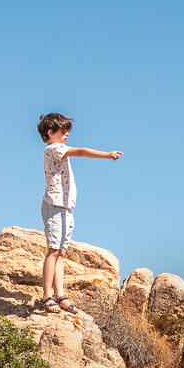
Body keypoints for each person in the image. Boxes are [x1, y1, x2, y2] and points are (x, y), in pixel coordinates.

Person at [38, 112, 122, 314]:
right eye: (63, 130)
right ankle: (47, 296)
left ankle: (60, 295)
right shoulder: (53, 148)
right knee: (54, 251)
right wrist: (106, 154)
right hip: (55, 205)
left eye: (68, 130)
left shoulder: (57, 148)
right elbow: (82, 152)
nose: (67, 134)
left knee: (61, 252)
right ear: (50, 132)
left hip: (65, 207)